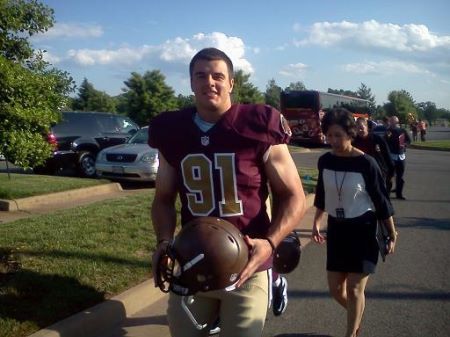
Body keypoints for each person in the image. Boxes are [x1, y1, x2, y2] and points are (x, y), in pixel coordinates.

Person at [148, 47, 306, 337]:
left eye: (218, 76)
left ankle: (274, 281)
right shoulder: (172, 130)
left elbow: (293, 195)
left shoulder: (258, 124)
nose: (210, 82)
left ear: (231, 83)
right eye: (201, 75)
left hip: (249, 264)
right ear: (191, 82)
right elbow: (163, 198)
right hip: (192, 261)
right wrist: (163, 242)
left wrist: (270, 244)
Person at [312, 108, 397, 337]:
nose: (333, 141)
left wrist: (391, 232)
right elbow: (322, 193)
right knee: (335, 288)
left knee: (355, 288)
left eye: (338, 135)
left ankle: (351, 333)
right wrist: (316, 221)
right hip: (337, 230)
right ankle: (356, 315)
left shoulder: (366, 163)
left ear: (350, 134)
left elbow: (381, 201)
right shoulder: (325, 161)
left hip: (364, 230)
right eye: (329, 135)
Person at [353, 117, 394, 191]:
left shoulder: (377, 139)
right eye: (357, 128)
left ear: (367, 127)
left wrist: (390, 174)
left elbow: (387, 156)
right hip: (360, 173)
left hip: (378, 172)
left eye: (362, 128)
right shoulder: (354, 142)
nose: (360, 130)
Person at [385, 116, 411, 200]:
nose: (393, 123)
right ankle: (387, 194)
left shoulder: (402, 131)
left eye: (395, 122)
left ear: (397, 122)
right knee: (389, 176)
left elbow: (408, 140)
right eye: (391, 121)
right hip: (391, 156)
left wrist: (404, 145)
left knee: (400, 177)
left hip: (401, 156)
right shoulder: (388, 131)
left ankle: (399, 194)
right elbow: (384, 142)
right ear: (390, 122)